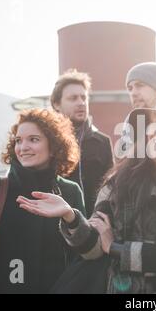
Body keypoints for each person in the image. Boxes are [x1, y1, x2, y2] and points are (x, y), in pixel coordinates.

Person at [18, 99, 156, 294]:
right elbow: (93, 251)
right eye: (153, 128)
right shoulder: (116, 184)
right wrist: (70, 216)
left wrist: (116, 248)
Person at [0, 109, 86, 293]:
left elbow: (79, 259)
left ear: (54, 146)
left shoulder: (70, 191)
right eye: (18, 140)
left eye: (33, 139)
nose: (22, 147)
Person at [51, 69, 113, 217]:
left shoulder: (102, 142)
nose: (81, 103)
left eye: (83, 97)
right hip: (54, 224)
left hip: (92, 225)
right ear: (56, 104)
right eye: (73, 98)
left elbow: (110, 190)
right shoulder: (47, 141)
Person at [119, 63, 156, 154]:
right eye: (130, 88)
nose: (133, 93)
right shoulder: (130, 122)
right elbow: (123, 162)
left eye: (139, 85)